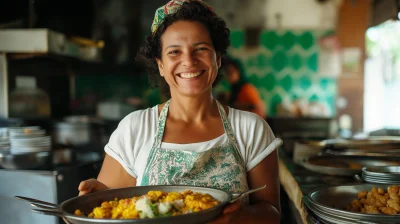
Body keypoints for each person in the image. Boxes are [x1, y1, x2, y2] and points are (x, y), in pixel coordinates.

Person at [78, 1, 282, 223]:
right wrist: (95, 201)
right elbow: (109, 208)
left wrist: (242, 217)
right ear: (161, 66)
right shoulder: (134, 129)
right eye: (174, 52)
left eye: (201, 49)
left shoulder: (251, 129)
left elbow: (271, 213)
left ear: (218, 58)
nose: (189, 61)